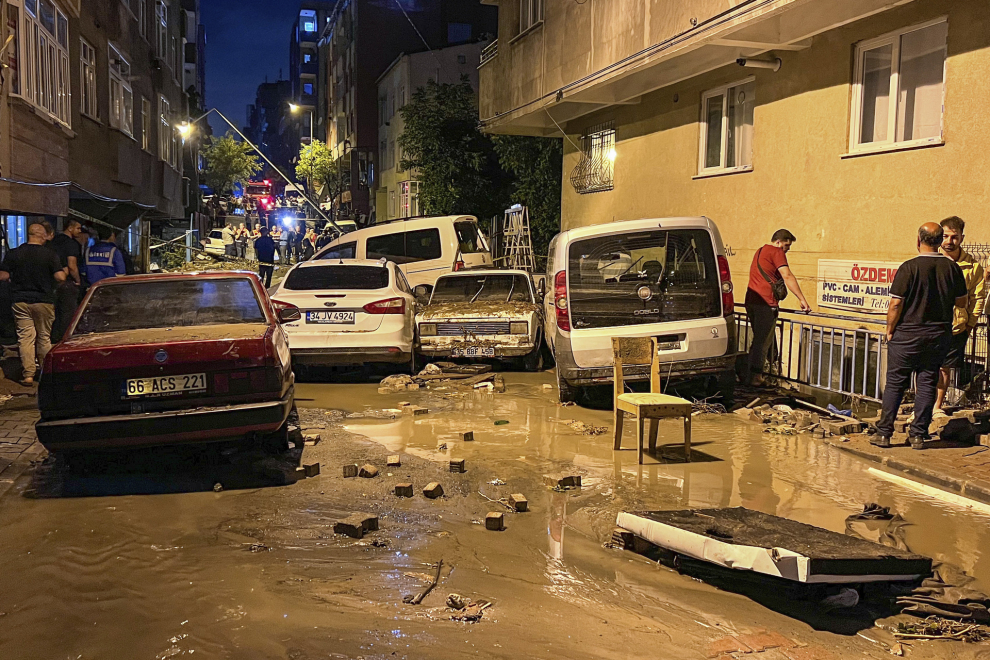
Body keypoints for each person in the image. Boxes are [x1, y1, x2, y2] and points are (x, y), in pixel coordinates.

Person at [874, 223, 968, 450]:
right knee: (927, 383)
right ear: (939, 241)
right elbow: (962, 302)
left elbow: (896, 304)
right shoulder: (952, 268)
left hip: (907, 335)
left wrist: (889, 329)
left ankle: (884, 434)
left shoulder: (909, 268)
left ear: (918, 240)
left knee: (896, 384)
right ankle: (918, 435)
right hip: (937, 336)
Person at [0, 222, 67, 385]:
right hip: (44, 301)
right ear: (42, 235)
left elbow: (2, 275)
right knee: (44, 337)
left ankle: (28, 375)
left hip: (20, 301)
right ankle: (46, 373)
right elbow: (60, 277)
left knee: (25, 338)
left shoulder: (14, 253)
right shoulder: (50, 255)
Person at [744, 229, 811, 386]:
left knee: (759, 339)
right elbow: (787, 275)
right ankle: (755, 377)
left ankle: (752, 374)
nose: (787, 250)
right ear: (779, 242)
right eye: (786, 245)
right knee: (763, 341)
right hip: (766, 304)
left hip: (752, 301)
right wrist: (802, 299)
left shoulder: (760, 251)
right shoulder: (776, 251)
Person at [933, 216, 986, 415]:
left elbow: (978, 297)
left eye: (954, 237)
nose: (949, 241)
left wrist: (969, 325)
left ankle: (936, 407)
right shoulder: (931, 260)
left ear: (962, 238)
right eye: (945, 236)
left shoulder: (973, 267)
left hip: (955, 328)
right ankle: (922, 408)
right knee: (925, 369)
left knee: (945, 369)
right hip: (930, 325)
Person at [49, 219, 84, 343]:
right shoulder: (71, 243)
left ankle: (54, 337)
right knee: (68, 314)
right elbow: (72, 265)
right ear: (70, 228)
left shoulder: (53, 241)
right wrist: (78, 280)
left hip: (53, 281)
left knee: (55, 313)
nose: (80, 231)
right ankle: (64, 340)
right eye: (78, 228)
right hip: (67, 282)